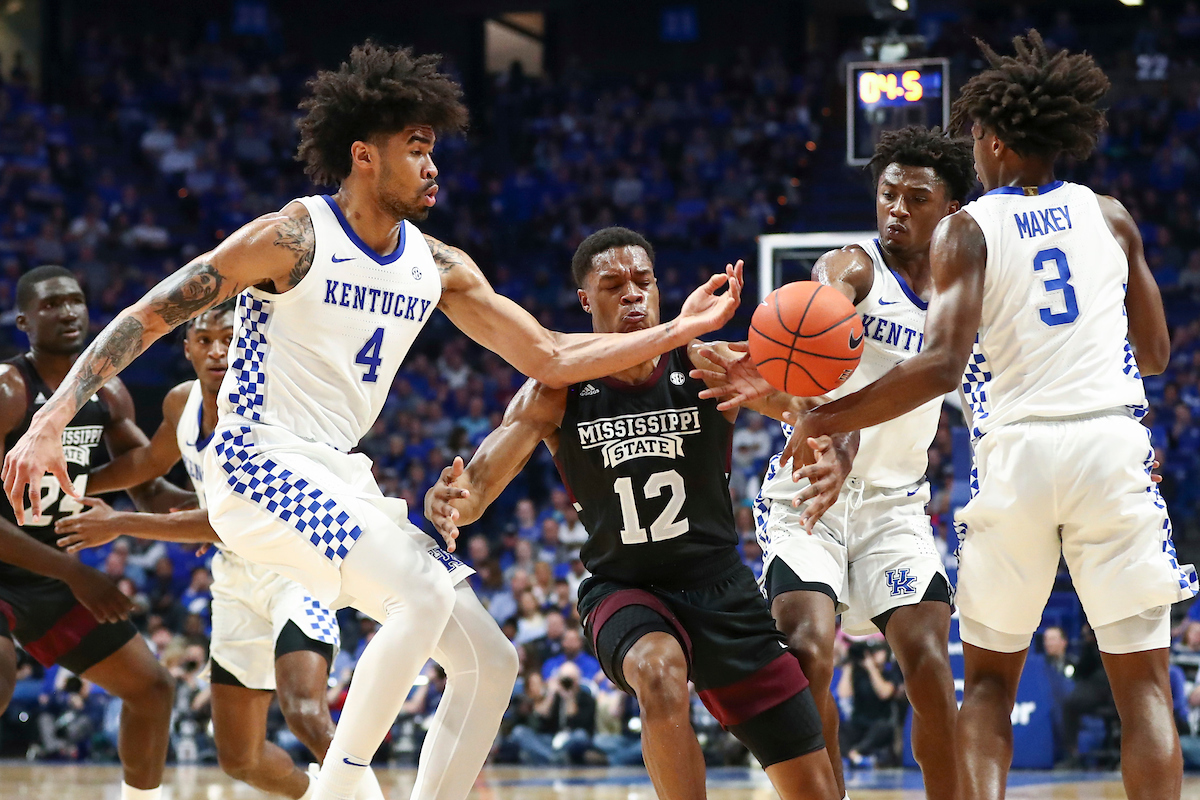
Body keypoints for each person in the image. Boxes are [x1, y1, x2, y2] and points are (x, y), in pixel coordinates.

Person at [2, 44, 741, 800]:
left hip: (338, 472)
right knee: (417, 598)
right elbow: (152, 312)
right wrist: (48, 421)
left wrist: (676, 333)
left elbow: (549, 354)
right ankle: (340, 788)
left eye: (433, 151)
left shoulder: (438, 264)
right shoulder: (293, 236)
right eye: (415, 150)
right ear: (363, 156)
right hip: (255, 460)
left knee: (490, 662)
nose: (432, 168)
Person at [778, 31, 1196, 800]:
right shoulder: (1110, 216)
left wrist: (823, 421)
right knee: (1144, 688)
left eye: (974, 137)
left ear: (996, 140)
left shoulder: (965, 229)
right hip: (1111, 443)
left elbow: (939, 366)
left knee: (992, 683)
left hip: (1017, 453)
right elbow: (1160, 351)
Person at [425, 227, 840, 800]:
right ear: (585, 302)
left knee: (815, 791)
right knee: (658, 670)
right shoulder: (556, 389)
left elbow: (815, 409)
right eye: (613, 285)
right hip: (624, 589)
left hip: (719, 585)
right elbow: (477, 488)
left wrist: (828, 445)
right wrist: (449, 499)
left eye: (643, 281)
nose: (633, 295)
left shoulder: (705, 362)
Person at [692, 126, 972, 800]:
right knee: (808, 652)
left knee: (931, 664)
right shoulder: (854, 266)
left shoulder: (961, 303)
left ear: (951, 213)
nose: (896, 209)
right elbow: (821, 305)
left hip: (895, 506)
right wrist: (801, 398)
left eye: (915, 197)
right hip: (808, 500)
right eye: (887, 195)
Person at [53, 301, 382, 800]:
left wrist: (118, 522)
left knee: (305, 713)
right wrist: (74, 484)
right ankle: (316, 794)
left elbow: (229, 524)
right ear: (186, 348)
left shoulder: (263, 411)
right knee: (240, 758)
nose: (218, 351)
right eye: (205, 340)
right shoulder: (179, 403)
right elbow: (148, 460)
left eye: (229, 339)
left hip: (292, 571)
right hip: (233, 584)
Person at [0, 266, 176, 800]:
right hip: (30, 570)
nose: (69, 311)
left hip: (52, 576)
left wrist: (221, 509)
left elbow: (149, 489)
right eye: (52, 305)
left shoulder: (108, 391)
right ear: (24, 321)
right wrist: (77, 572)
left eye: (75, 300)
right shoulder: (9, 388)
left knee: (151, 690)